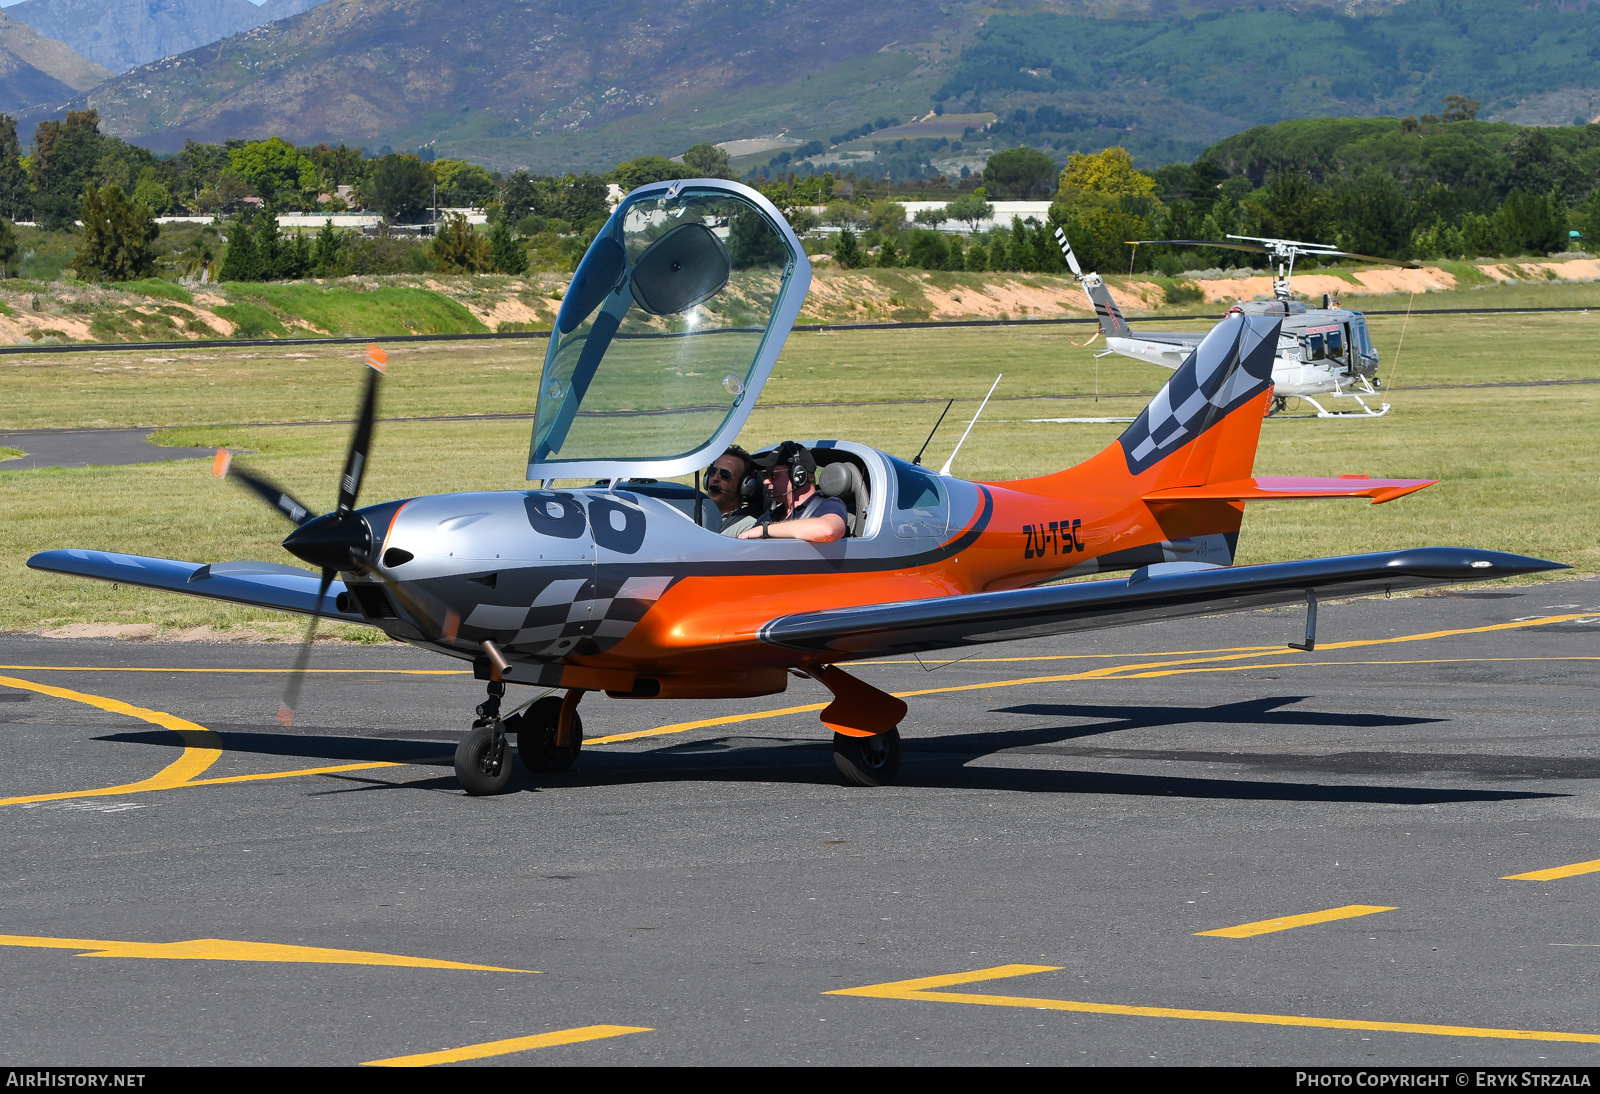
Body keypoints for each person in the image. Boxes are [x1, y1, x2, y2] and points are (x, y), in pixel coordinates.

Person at [739, 442, 847, 543]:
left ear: (798, 475)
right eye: (765, 475)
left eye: (772, 474)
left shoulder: (829, 506)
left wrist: (765, 531)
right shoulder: (770, 517)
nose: (765, 481)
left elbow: (828, 531)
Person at [706, 445, 761, 537]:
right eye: (712, 471)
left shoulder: (748, 527)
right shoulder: (695, 515)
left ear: (744, 485)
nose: (715, 478)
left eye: (724, 474)